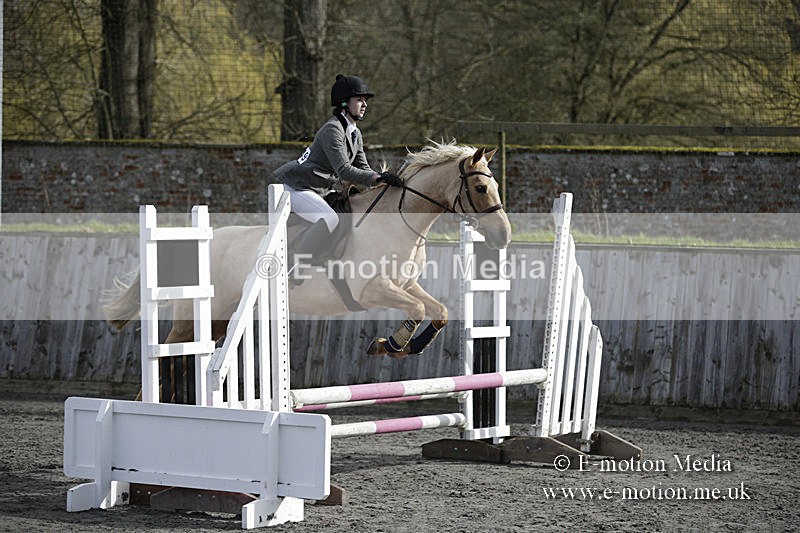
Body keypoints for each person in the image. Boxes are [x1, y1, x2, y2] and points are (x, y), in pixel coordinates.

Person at [274, 74, 401, 284]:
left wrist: (383, 180)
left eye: (365, 100)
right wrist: (377, 177)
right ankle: (294, 266)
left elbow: (363, 169)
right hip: (297, 188)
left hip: (319, 190)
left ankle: (325, 258)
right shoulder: (332, 130)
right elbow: (344, 171)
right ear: (344, 102)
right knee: (329, 219)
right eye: (359, 99)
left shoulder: (354, 133)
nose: (365, 104)